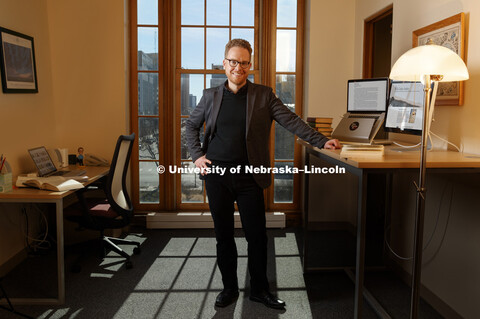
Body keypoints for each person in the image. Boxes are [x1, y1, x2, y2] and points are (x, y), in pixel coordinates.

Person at [186, 39, 341, 309]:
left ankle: (259, 289)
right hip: (217, 176)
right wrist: (198, 156)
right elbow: (190, 127)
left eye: (244, 62)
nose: (238, 67)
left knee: (256, 236)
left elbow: (291, 120)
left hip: (250, 177)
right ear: (225, 64)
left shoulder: (264, 95)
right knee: (223, 235)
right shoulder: (210, 96)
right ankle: (229, 288)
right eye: (233, 61)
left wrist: (320, 140)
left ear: (250, 65)